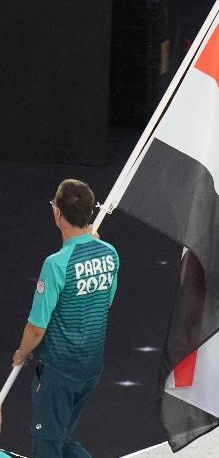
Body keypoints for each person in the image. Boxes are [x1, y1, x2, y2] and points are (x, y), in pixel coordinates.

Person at [11, 180, 119, 457]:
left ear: (57, 213)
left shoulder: (56, 264)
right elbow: (105, 302)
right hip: (90, 368)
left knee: (47, 446)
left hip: (59, 372)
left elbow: (37, 327)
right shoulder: (110, 254)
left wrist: (21, 353)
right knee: (60, 439)